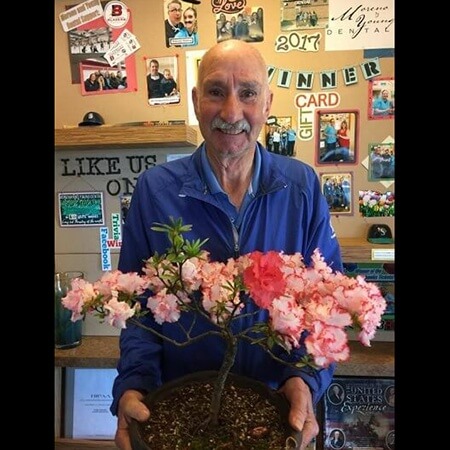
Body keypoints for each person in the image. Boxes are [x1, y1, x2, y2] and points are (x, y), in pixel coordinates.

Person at [111, 40, 343, 450]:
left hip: (275, 403)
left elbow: (327, 301)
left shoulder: (301, 187)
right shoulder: (155, 191)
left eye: (248, 93)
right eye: (216, 91)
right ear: (197, 101)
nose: (232, 112)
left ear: (267, 103)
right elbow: (139, 309)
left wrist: (304, 380)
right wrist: (134, 385)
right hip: (180, 407)